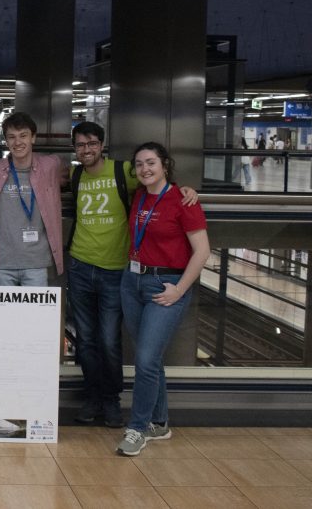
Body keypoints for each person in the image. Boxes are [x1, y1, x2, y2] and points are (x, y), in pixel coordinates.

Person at [116, 142, 210, 457]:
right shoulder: (139, 196)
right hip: (132, 282)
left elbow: (202, 251)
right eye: (139, 164)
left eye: (151, 162)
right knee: (151, 359)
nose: (145, 169)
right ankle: (159, 422)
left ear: (165, 165)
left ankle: (138, 427)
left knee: (144, 360)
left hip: (165, 285)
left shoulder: (184, 200)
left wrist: (179, 290)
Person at [0, 112, 64, 286]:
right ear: (6, 141)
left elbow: (69, 174)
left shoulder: (50, 166)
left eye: (23, 135)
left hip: (36, 263)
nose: (17, 142)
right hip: (2, 264)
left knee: (36, 306)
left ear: (33, 138)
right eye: (12, 137)